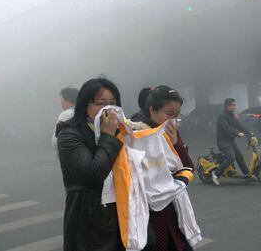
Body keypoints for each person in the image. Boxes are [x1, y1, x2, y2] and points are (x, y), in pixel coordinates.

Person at [55, 78, 124, 251]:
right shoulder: (69, 135)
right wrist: (108, 135)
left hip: (120, 216)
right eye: (101, 103)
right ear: (85, 105)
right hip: (88, 221)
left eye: (113, 103)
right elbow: (93, 171)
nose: (108, 109)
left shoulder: (121, 131)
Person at [131, 85, 195, 251]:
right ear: (152, 111)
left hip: (174, 209)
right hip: (149, 214)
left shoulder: (170, 131)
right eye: (169, 115)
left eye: (178, 114)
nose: (174, 120)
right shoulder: (136, 135)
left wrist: (176, 144)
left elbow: (188, 167)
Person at [212, 98, 254, 186]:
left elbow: (238, 125)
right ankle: (215, 174)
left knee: (240, 157)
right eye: (233, 105)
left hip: (230, 141)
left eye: (235, 105)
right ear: (228, 106)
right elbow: (227, 128)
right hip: (223, 142)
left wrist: (248, 133)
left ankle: (247, 175)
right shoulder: (222, 116)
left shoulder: (230, 115)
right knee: (231, 158)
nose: (235, 107)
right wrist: (238, 133)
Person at [52, 87, 78, 153]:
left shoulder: (66, 114)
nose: (60, 103)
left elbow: (56, 140)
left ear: (68, 100)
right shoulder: (84, 112)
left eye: (61, 100)